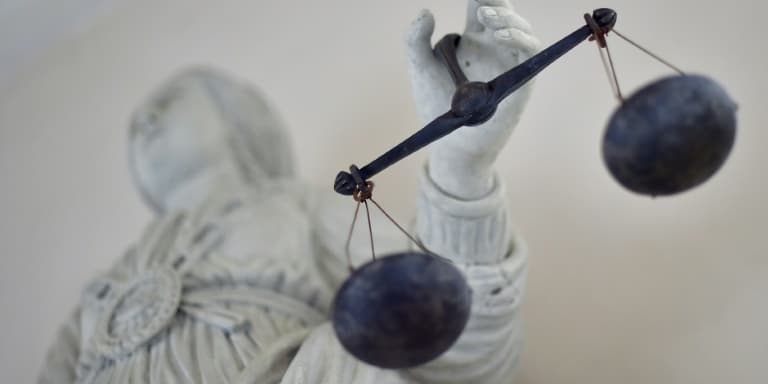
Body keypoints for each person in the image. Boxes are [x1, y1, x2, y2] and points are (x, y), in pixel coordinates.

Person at [38, 1, 540, 383]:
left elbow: (452, 341)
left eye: (168, 103)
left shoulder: (296, 208)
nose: (143, 121)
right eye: (136, 128)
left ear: (238, 118)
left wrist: (460, 164)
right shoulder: (106, 284)